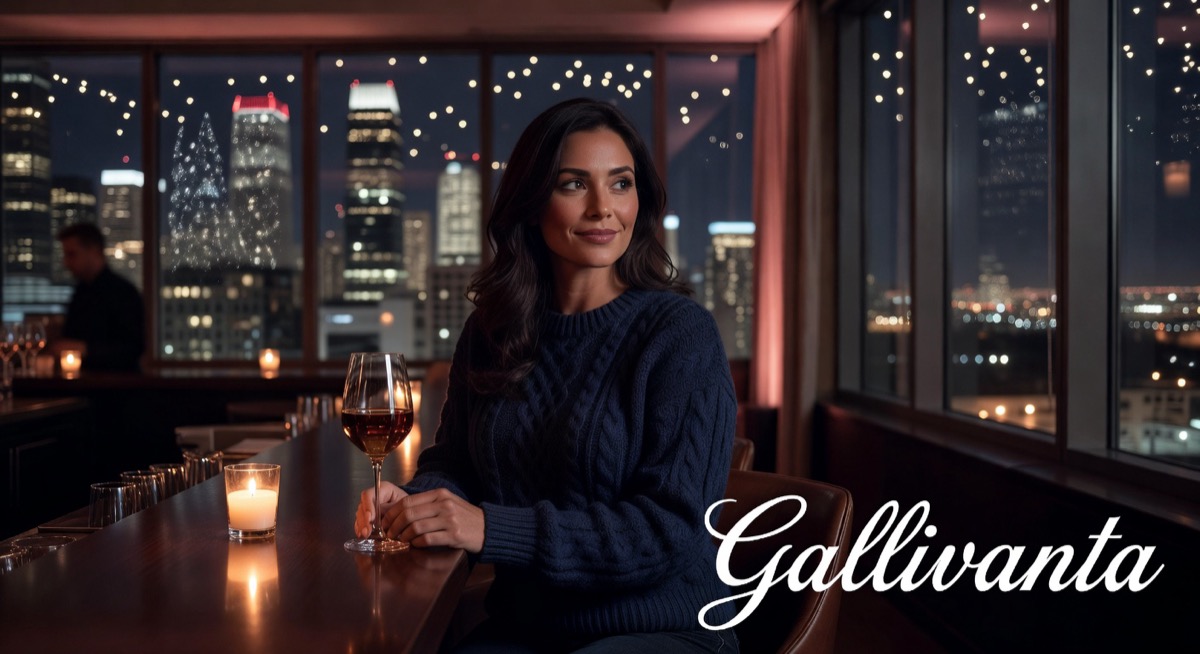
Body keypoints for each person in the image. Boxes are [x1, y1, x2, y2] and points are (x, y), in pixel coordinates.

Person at [354, 98, 738, 653]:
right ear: (533, 203)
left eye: (621, 183)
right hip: (528, 627)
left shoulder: (680, 336)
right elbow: (454, 465)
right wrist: (415, 504)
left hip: (659, 626)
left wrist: (489, 528)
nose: (603, 208)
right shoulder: (491, 332)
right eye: (574, 184)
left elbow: (669, 532)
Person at [53, 222, 145, 372]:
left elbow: (134, 348)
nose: (66, 263)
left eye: (71, 254)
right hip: (85, 386)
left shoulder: (123, 293)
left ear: (93, 250)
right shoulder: (80, 292)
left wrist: (85, 349)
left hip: (118, 388)